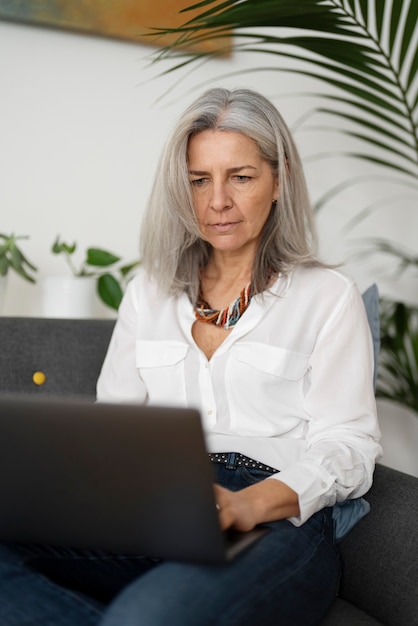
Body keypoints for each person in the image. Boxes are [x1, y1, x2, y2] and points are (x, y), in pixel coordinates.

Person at [0, 87, 382, 626]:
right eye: (199, 180)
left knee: (150, 615)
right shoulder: (148, 292)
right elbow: (114, 427)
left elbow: (350, 444)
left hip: (275, 519)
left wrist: (248, 504)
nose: (217, 202)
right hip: (156, 507)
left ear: (281, 180)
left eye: (240, 177)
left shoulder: (326, 295)